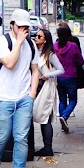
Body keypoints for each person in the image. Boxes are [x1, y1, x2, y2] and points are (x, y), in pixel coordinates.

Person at [0, 8, 39, 168]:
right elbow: (9, 64)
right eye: (20, 26)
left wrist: (32, 94)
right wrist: (17, 43)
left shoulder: (31, 45)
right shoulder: (2, 41)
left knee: (21, 138)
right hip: (2, 98)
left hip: (24, 98)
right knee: (1, 136)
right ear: (12, 25)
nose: (24, 30)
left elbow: (35, 70)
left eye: (27, 27)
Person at [33, 28, 63, 157]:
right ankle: (45, 147)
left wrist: (48, 75)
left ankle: (48, 147)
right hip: (36, 86)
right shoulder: (34, 51)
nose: (36, 38)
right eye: (35, 36)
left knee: (45, 118)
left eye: (39, 36)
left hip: (46, 86)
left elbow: (61, 70)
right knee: (40, 116)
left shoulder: (50, 54)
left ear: (45, 40)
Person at [53, 25, 84, 134]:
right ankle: (65, 117)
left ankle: (63, 120)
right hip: (71, 76)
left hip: (59, 77)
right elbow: (80, 61)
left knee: (62, 99)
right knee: (73, 100)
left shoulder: (54, 46)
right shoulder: (73, 46)